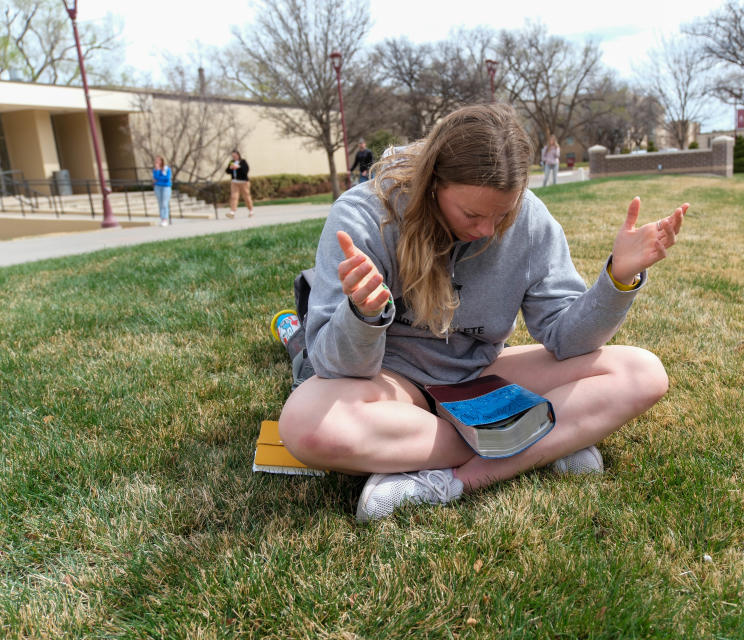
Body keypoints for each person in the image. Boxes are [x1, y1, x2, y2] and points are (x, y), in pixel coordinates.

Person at [277, 104, 688, 523]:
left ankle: (453, 481)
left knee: (643, 373)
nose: (488, 230)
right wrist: (362, 315)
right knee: (304, 422)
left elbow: (567, 339)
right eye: (472, 214)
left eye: (502, 214)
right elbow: (334, 365)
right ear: (433, 184)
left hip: (480, 375)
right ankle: (544, 443)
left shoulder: (531, 219)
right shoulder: (364, 216)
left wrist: (618, 279)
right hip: (391, 384)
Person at [225, 150, 253, 218]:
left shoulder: (243, 162)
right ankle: (232, 212)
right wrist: (230, 168)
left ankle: (250, 210)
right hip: (234, 182)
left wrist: (238, 167)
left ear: (238, 155)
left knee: (246, 196)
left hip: (243, 182)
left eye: (235, 156)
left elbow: (246, 171)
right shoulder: (231, 162)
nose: (234, 157)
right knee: (234, 196)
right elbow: (227, 171)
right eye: (233, 156)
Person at [152, 155, 173, 226]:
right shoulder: (155, 169)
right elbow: (155, 177)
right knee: (160, 203)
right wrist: (157, 170)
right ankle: (162, 219)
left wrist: (158, 180)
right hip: (158, 187)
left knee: (164, 203)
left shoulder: (167, 169)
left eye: (159, 160)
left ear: (162, 161)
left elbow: (167, 178)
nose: (157, 162)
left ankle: (165, 219)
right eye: (156, 160)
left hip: (166, 188)